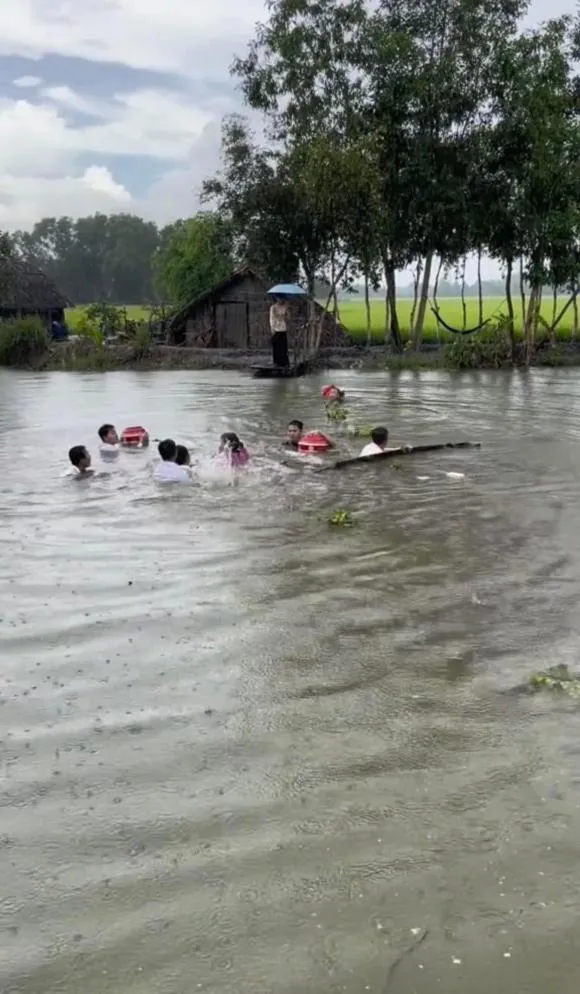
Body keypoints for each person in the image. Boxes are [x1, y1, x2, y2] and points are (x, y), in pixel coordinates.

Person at [269, 296, 290, 367]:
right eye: (279, 298)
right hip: (276, 328)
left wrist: (287, 310)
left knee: (283, 346)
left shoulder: (285, 307)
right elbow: (271, 318)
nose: (280, 300)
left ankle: (284, 363)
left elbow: (288, 318)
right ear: (276, 299)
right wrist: (272, 328)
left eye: (281, 298)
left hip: (283, 328)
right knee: (276, 347)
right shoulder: (273, 307)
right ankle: (276, 363)